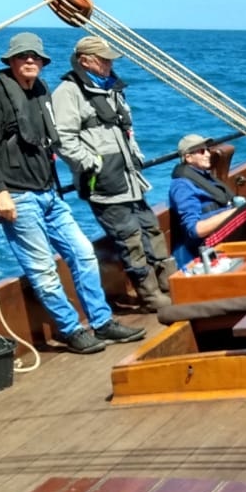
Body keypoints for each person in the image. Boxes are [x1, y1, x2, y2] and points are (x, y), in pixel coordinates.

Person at [0, 32, 141, 353]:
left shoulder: (42, 90)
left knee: (84, 253)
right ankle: (71, 330)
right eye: (22, 56)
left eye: (35, 56)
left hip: (50, 193)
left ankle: (101, 322)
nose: (29, 60)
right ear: (11, 61)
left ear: (43, 62)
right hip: (18, 197)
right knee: (43, 270)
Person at [51, 34, 174, 311]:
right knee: (130, 239)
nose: (109, 64)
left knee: (151, 229)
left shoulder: (112, 88)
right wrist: (92, 163)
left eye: (109, 60)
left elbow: (126, 128)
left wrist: (136, 154)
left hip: (130, 178)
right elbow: (62, 138)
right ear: (85, 61)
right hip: (103, 183)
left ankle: (168, 283)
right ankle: (151, 296)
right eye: (103, 60)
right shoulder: (68, 93)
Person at [167, 134, 246, 267]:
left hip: (225, 228)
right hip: (208, 243)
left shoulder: (204, 176)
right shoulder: (182, 185)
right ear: (188, 157)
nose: (207, 154)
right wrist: (233, 212)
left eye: (207, 149)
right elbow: (195, 229)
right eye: (201, 151)